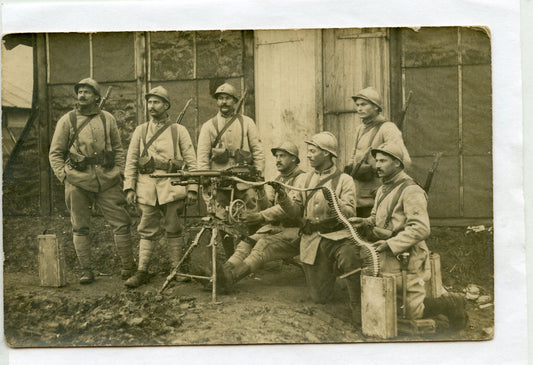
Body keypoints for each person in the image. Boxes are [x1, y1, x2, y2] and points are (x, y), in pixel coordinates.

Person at [350, 142, 467, 329]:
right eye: (376, 161)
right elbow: (377, 217)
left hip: (409, 256)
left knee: (413, 311)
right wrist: (365, 222)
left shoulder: (411, 190)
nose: (377, 165)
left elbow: (421, 228)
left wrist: (390, 244)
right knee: (392, 305)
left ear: (397, 163)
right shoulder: (383, 189)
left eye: (383, 161)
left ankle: (453, 302)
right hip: (389, 254)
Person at [49, 78, 134, 285]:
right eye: (80, 92)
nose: (82, 95)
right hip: (77, 181)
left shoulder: (108, 119)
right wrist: (65, 176)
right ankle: (86, 270)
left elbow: (118, 148)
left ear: (97, 97)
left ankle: (128, 268)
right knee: (80, 227)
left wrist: (119, 171)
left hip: (107, 179)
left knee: (121, 223)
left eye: (87, 92)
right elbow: (55, 153)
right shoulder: (67, 120)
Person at [274, 132, 362, 325]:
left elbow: (349, 213)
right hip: (312, 240)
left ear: (327, 154)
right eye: (309, 151)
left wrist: (333, 200)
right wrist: (283, 197)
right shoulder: (305, 180)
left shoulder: (344, 180)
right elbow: (296, 211)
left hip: (337, 237)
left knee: (350, 255)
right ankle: (331, 278)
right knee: (320, 298)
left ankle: (358, 305)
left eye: (313, 151)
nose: (308, 155)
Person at [122, 86, 198, 288]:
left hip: (172, 187)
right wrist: (129, 187)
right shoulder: (141, 130)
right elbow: (131, 161)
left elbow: (192, 162)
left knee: (174, 228)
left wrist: (192, 188)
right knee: (146, 229)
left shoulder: (179, 131)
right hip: (146, 188)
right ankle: (142, 271)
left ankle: (177, 269)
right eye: (149, 102)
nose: (152, 106)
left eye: (156, 102)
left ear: (166, 106)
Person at [222, 141, 305, 284]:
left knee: (262, 245)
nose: (278, 160)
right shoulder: (278, 179)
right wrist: (260, 191)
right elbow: (266, 207)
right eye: (277, 156)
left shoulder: (302, 179)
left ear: (294, 158)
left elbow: (287, 210)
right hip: (276, 227)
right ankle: (221, 273)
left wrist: (259, 216)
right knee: (245, 243)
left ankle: (231, 278)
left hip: (296, 229)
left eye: (282, 156)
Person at [196, 82, 265, 221]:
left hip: (244, 179)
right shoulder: (208, 126)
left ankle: (249, 241)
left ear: (234, 101)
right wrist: (205, 179)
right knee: (220, 215)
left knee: (251, 209)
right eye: (220, 98)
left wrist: (258, 174)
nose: (224, 102)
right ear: (217, 101)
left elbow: (257, 151)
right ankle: (226, 242)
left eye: (228, 98)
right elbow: (203, 156)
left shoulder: (247, 123)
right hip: (218, 179)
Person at [346, 87, 410, 218]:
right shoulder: (360, 129)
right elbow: (353, 156)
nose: (359, 108)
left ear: (376, 107)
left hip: (378, 195)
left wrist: (379, 175)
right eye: (357, 105)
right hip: (359, 195)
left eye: (364, 104)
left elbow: (404, 161)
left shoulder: (387, 128)